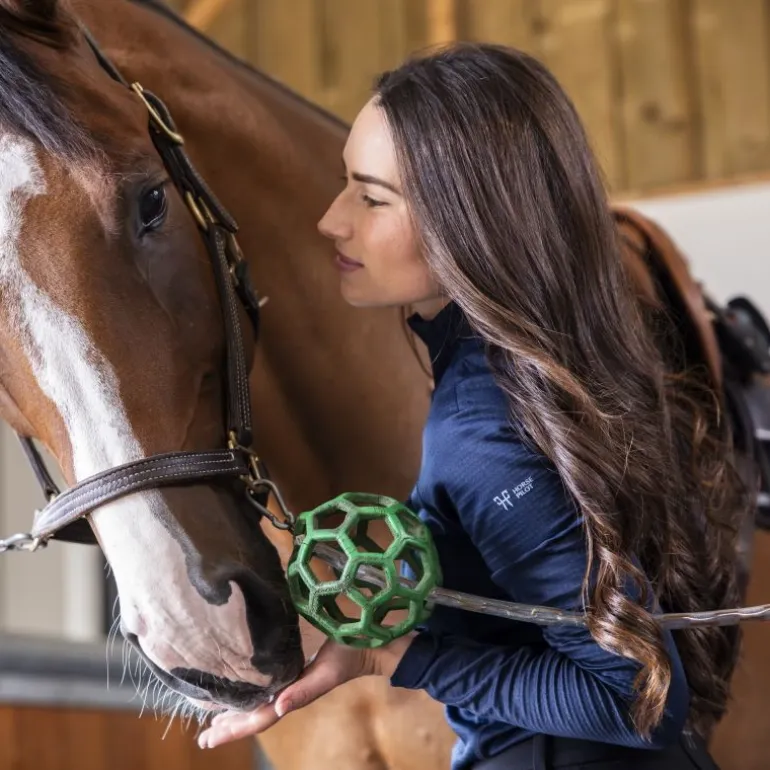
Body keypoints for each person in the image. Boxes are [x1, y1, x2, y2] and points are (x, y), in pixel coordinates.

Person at [197, 43, 749, 769]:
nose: (332, 220)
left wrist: (397, 659)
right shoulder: (532, 371)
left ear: (468, 220)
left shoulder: (485, 430)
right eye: (344, 184)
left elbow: (635, 695)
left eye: (371, 197)